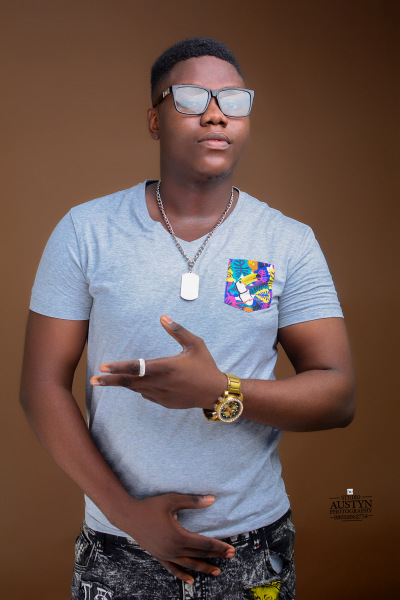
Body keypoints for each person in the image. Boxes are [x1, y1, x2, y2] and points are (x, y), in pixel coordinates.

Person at [20, 38, 356, 600]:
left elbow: (338, 395)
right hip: (120, 545)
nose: (216, 113)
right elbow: (40, 387)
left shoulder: (287, 243)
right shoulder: (86, 231)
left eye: (233, 100)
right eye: (192, 98)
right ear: (155, 120)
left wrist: (221, 390)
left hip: (251, 550)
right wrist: (129, 515)